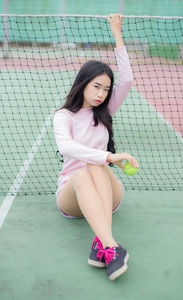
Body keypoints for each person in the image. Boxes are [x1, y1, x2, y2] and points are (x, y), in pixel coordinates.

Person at [53, 14, 139, 281]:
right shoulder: (63, 116)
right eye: (97, 86)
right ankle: (110, 246)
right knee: (83, 170)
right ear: (83, 83)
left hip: (108, 194)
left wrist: (117, 35)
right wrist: (110, 157)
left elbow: (125, 81)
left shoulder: (105, 112)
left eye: (106, 89)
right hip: (73, 193)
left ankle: (105, 246)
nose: (102, 93)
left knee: (95, 165)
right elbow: (67, 147)